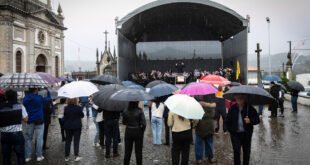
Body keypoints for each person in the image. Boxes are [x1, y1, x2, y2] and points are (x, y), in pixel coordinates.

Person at [225, 94, 260, 165]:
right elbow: (227, 121)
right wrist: (230, 130)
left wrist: (250, 120)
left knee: (246, 151)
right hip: (235, 134)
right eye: (237, 98)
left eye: (240, 98)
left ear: (244, 99)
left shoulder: (250, 108)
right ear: (235, 98)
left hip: (246, 134)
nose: (239, 100)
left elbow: (257, 120)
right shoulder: (232, 108)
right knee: (236, 151)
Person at [0, 90, 28, 165]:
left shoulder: (1, 107)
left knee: (6, 157)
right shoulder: (20, 106)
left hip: (4, 135)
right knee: (20, 156)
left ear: (6, 97)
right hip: (17, 134)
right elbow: (26, 119)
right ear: (16, 97)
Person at [23, 88, 51, 162]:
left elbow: (25, 105)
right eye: (37, 90)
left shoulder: (25, 98)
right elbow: (48, 99)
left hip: (29, 120)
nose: (38, 91)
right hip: (39, 119)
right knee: (39, 138)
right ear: (35, 90)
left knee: (28, 138)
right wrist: (48, 92)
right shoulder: (39, 98)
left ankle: (27, 157)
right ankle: (39, 155)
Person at [193, 95, 216, 164]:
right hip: (210, 125)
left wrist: (194, 124)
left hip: (201, 125)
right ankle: (211, 157)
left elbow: (196, 117)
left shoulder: (199, 105)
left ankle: (199, 159)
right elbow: (214, 115)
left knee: (199, 143)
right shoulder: (212, 105)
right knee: (209, 143)